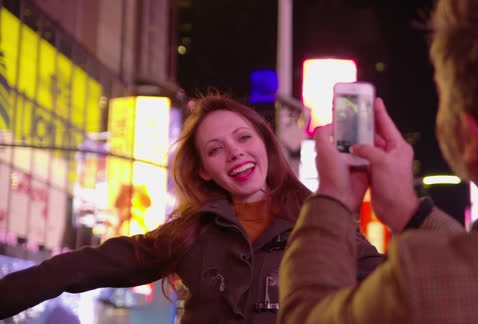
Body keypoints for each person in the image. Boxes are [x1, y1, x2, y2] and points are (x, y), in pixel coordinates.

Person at [278, 0, 478, 323]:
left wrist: (333, 198)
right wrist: (410, 213)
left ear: (469, 135)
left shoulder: (421, 283)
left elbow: (305, 315)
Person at [0, 94, 383, 323]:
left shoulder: (320, 224)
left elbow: (394, 283)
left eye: (244, 138)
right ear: (204, 170)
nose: (234, 152)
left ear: (265, 145)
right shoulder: (190, 233)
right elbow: (80, 267)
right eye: (216, 149)